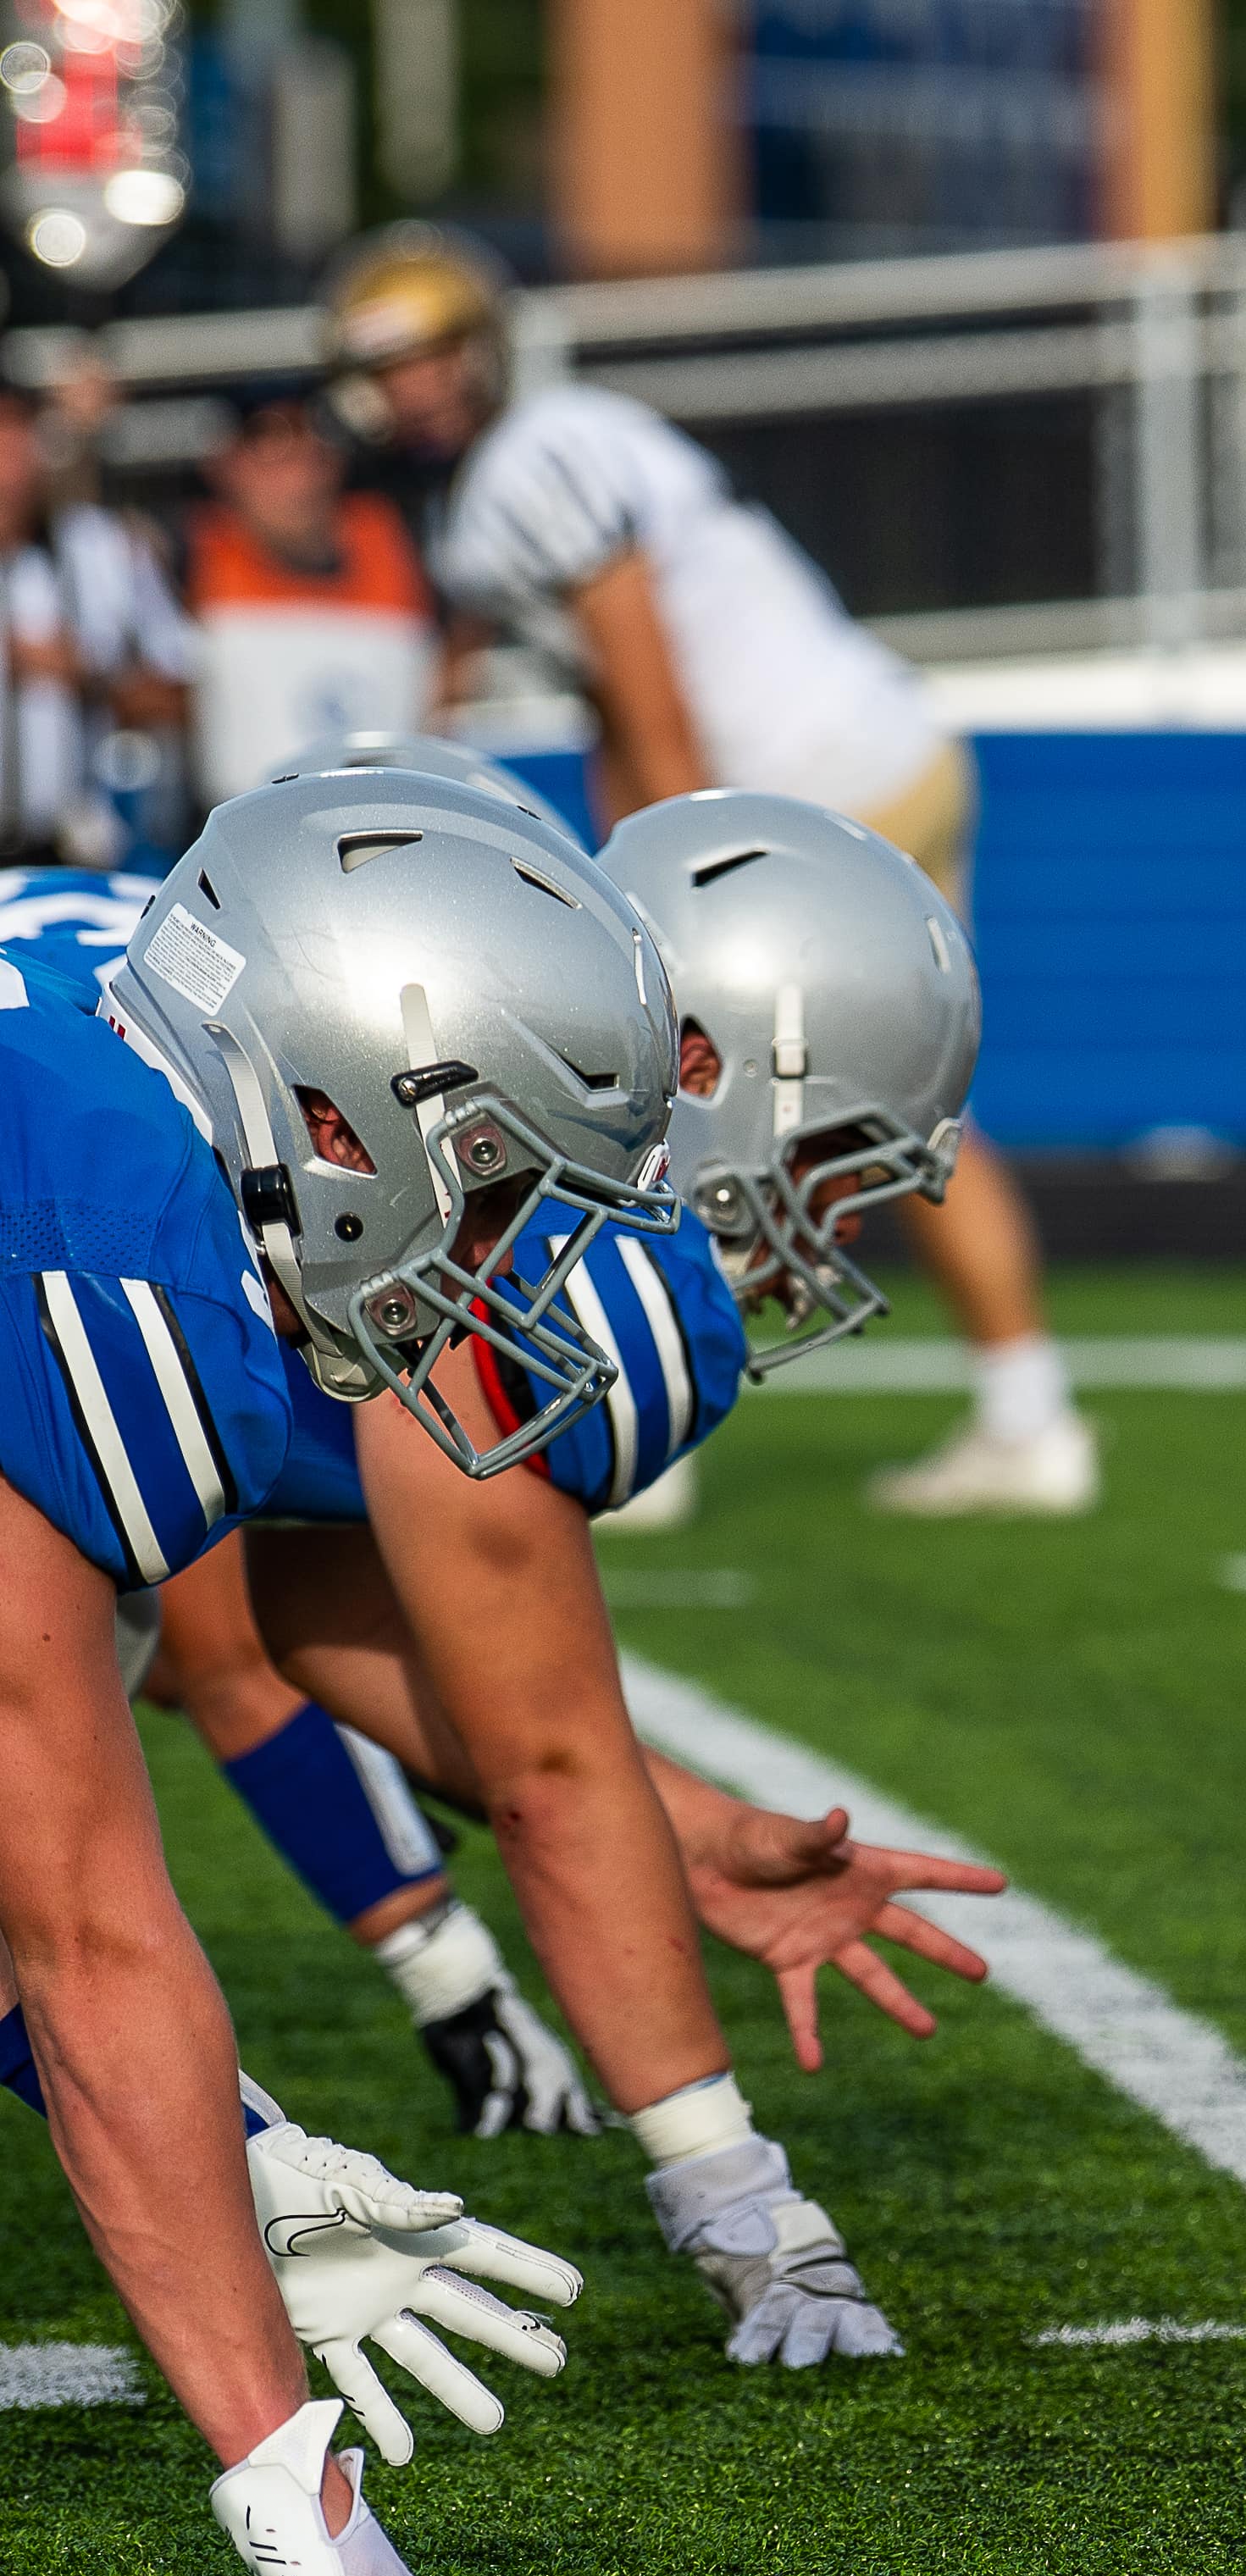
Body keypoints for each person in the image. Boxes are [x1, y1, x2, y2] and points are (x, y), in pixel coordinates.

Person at [91, 773, 1008, 2369]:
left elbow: (305, 1603)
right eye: (842, 1156)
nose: (834, 1223)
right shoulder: (512, 1217)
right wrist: (740, 2195)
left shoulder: (261, 982)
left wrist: (691, 1827)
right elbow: (546, 1761)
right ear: (705, 1063)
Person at [0, 858, 568, 2576]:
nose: (480, 1256)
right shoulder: (100, 1251)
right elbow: (82, 1934)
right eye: (481, 1181)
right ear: (331, 1113)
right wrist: (285, 2481)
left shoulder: (117, 1126)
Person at [317, 224, 1095, 1519]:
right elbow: (612, 702)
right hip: (870, 760)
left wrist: (667, 881)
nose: (417, 390)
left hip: (806, 791)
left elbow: (640, 671)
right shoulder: (558, 445)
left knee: (665, 1108)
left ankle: (641, 1419)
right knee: (872, 1117)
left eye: (433, 356)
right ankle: (1029, 1413)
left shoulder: (532, 465)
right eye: (393, 367)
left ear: (479, 349)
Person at [177, 381, 439, 809]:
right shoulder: (190, 556)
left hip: (388, 819)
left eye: (306, 452)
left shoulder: (392, 542)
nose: (295, 479)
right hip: (243, 828)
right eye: (270, 459)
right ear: (226, 467)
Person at [0, 373, 190, 867]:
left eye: (17, 431)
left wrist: (91, 674)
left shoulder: (99, 547)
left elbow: (177, 691)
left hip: (70, 853)